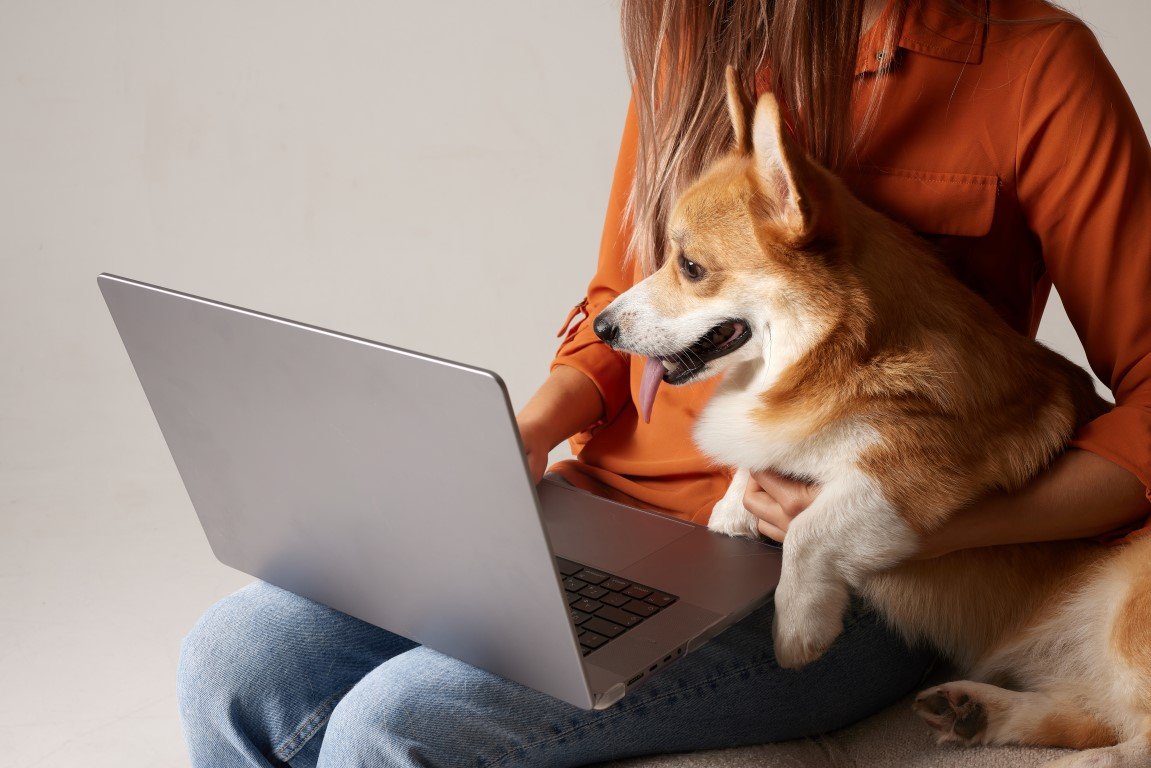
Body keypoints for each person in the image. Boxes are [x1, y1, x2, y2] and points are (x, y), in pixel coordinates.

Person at [177, 1, 1151, 766]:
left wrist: (925, 523)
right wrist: (523, 431)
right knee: (232, 664)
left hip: (837, 573)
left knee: (395, 725)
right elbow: (617, 312)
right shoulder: (698, 30)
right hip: (609, 502)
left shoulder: (1036, 66)